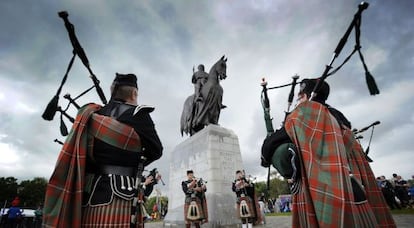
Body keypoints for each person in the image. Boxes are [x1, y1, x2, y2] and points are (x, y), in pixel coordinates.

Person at [261, 78, 396, 227]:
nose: (298, 99)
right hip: (355, 189)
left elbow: (270, 144)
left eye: (300, 95)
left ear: (307, 96)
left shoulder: (305, 115)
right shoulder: (340, 120)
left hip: (323, 192)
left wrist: (266, 158)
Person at [43, 73, 163, 227]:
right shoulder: (139, 115)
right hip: (122, 194)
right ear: (134, 93)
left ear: (111, 90)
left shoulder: (92, 115)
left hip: (89, 193)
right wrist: (134, 161)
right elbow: (156, 151)